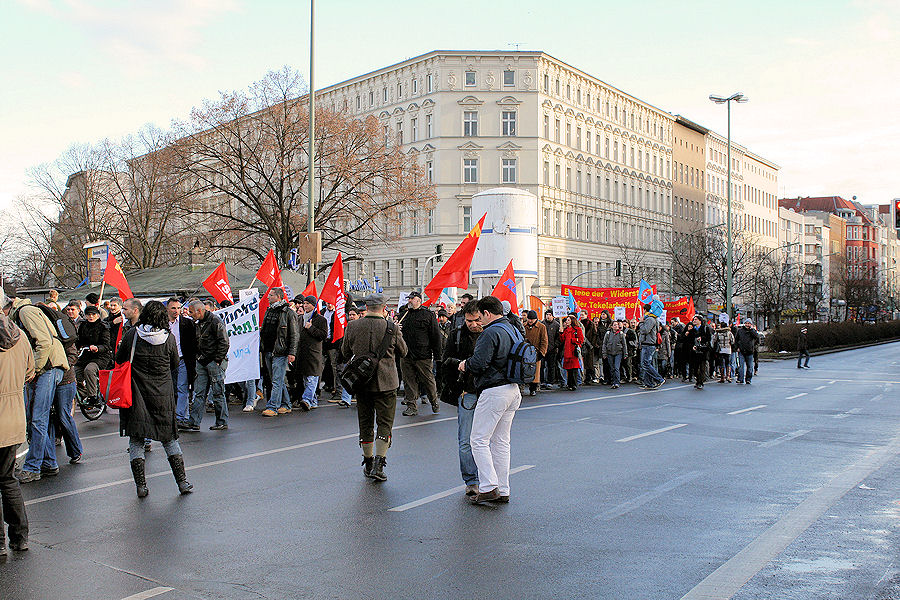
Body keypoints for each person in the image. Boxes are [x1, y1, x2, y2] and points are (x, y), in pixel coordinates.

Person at [117, 300, 192, 497]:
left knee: (137, 440)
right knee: (169, 438)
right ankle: (182, 483)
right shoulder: (168, 338)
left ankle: (141, 486)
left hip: (137, 393)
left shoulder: (133, 334)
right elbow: (175, 363)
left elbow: (119, 359)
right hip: (162, 394)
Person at [458, 296, 522, 505]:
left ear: (487, 313)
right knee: (501, 442)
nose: (479, 321)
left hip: (494, 390)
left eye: (481, 316)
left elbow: (479, 363)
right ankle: (503, 489)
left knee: (478, 440)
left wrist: (465, 364)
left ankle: (488, 486)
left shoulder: (490, 332)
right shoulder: (512, 328)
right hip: (513, 389)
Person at [342, 293, 407, 482]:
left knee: (365, 422)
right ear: (384, 307)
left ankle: (368, 461)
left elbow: (345, 352)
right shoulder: (392, 327)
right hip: (387, 382)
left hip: (362, 382)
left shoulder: (353, 326)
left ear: (366, 307)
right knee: (385, 424)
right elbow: (404, 351)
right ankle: (380, 463)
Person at [4, 296, 69, 483]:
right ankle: (48, 463)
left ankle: (33, 467)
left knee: (38, 418)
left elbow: (44, 342)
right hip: (47, 368)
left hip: (48, 368)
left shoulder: (25, 312)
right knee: (37, 418)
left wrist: (35, 368)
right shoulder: (24, 312)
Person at [0, 297, 35, 556]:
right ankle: (19, 537)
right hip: (13, 415)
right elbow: (29, 372)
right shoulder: (20, 336)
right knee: (8, 479)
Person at [441, 301, 482, 495]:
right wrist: (461, 365)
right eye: (469, 321)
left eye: (476, 320)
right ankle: (471, 480)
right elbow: (446, 360)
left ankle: (490, 478)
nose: (473, 324)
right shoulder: (457, 335)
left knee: (490, 440)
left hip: (491, 393)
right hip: (467, 392)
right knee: (465, 439)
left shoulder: (492, 332)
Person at [183, 300, 229, 431]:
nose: (190, 315)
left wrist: (218, 360)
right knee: (199, 393)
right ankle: (194, 422)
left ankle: (222, 421)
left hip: (213, 362)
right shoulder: (198, 322)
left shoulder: (215, 321)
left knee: (218, 392)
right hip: (202, 361)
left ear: (199, 311)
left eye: (191, 312)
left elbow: (224, 342)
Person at [398, 291, 442, 416]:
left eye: (412, 299)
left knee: (428, 380)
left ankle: (434, 401)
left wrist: (437, 355)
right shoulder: (404, 315)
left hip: (423, 355)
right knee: (408, 381)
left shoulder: (428, 315)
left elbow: (435, 336)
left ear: (419, 300)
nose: (409, 301)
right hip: (406, 355)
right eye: (409, 299)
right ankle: (412, 406)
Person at [260, 287, 299, 417]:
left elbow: (294, 334)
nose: (268, 297)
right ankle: (286, 404)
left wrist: (292, 352)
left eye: (270, 295)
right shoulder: (269, 311)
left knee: (276, 381)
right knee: (277, 380)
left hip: (280, 352)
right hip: (268, 350)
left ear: (278, 296)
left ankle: (273, 407)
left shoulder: (288, 313)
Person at [293, 295, 328, 411]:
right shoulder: (300, 318)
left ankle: (307, 399)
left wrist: (311, 328)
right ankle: (313, 402)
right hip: (302, 352)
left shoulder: (321, 319)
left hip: (313, 352)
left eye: (308, 303)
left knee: (312, 377)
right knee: (305, 378)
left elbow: (323, 335)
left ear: (313, 305)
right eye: (305, 303)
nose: (305, 305)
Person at [166, 298, 197, 424]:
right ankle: (176, 415)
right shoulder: (162, 323)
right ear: (167, 309)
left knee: (182, 388)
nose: (176, 311)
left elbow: (193, 342)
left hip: (183, 359)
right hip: (167, 360)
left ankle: (180, 417)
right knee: (170, 389)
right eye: (173, 308)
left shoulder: (187, 323)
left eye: (178, 308)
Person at [74, 306, 112, 403]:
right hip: (85, 355)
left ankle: (92, 396)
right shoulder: (83, 326)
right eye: (88, 314)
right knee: (74, 372)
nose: (91, 316)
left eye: (93, 314)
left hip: (100, 357)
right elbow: (79, 341)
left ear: (98, 315)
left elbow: (107, 345)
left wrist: (98, 348)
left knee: (89, 370)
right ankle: (83, 394)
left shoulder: (103, 327)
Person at [637, 305, 665, 389]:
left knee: (645, 364)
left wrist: (641, 322)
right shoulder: (652, 319)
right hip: (647, 344)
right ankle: (649, 383)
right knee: (647, 364)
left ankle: (659, 379)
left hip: (648, 344)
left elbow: (645, 330)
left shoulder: (650, 319)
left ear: (645, 310)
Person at [522, 310, 548, 397]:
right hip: (525, 352)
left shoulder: (541, 327)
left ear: (536, 319)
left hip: (536, 353)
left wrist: (542, 352)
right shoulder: (524, 326)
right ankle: (523, 386)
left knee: (535, 371)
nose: (530, 321)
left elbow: (544, 341)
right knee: (525, 370)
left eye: (532, 319)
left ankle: (533, 388)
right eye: (529, 319)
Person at [685, 316, 712, 389]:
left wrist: (702, 338)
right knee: (695, 367)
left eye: (696, 319)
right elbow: (689, 341)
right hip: (694, 351)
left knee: (702, 367)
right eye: (694, 319)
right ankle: (697, 380)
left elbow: (709, 338)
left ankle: (701, 382)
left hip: (703, 350)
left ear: (700, 321)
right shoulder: (692, 330)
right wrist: (692, 346)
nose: (694, 321)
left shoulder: (705, 328)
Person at [559, 315, 584, 391]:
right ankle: (569, 384)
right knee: (569, 369)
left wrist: (573, 340)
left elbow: (581, 340)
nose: (567, 321)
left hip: (573, 351)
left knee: (574, 369)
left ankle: (574, 384)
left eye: (568, 320)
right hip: (567, 351)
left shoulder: (577, 329)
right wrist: (561, 332)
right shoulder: (566, 330)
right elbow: (562, 339)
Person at [602, 321, 626, 389]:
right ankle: (613, 381)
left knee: (616, 367)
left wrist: (625, 353)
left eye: (617, 325)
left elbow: (624, 345)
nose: (616, 326)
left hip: (618, 353)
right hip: (610, 352)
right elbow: (604, 343)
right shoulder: (608, 333)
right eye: (614, 325)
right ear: (612, 326)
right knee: (612, 368)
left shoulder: (621, 334)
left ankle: (617, 382)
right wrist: (604, 353)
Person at [734, 320, 760, 384]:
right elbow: (736, 340)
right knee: (741, 366)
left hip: (749, 351)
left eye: (749, 323)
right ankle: (740, 379)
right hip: (741, 350)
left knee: (750, 366)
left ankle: (748, 379)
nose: (747, 325)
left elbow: (756, 337)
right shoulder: (740, 331)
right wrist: (737, 347)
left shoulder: (752, 331)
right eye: (746, 323)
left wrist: (751, 330)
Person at [541, 310, 561, 389]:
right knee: (542, 366)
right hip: (543, 348)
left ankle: (550, 381)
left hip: (552, 349)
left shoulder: (557, 325)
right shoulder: (542, 324)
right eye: (547, 314)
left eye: (549, 315)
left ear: (553, 316)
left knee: (551, 366)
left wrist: (555, 345)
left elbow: (558, 338)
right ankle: (542, 381)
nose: (548, 316)